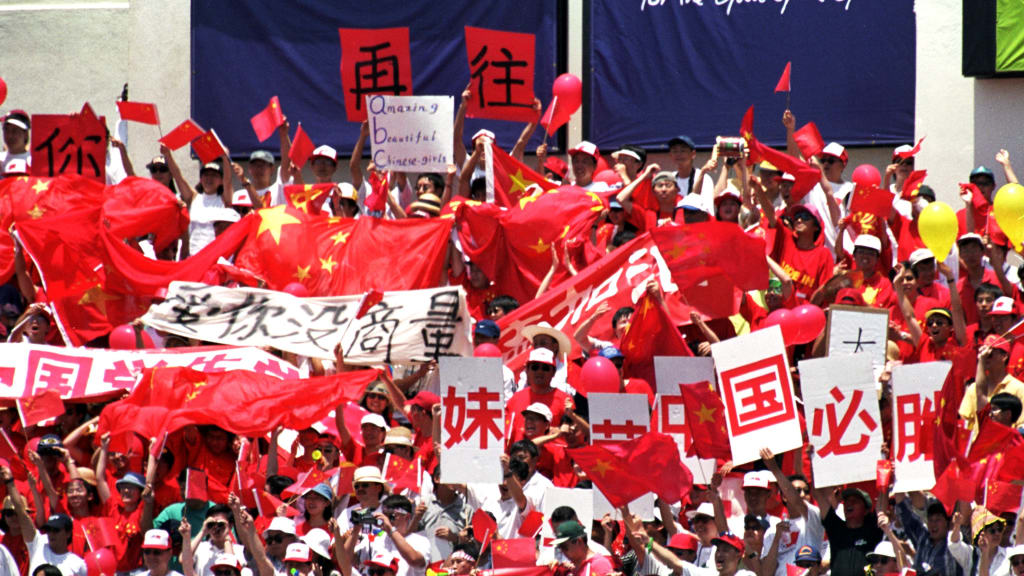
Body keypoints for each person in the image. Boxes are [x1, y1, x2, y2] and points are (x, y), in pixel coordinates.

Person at [3, 465, 87, 576]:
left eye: (56, 530)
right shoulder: (38, 543)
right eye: (49, 529)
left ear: (67, 533)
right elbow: (21, 513)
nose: (51, 534)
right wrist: (10, 483)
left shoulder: (78, 564)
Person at [817, 487, 883, 576]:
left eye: (855, 501)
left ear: (866, 510)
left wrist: (884, 483)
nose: (849, 503)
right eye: (846, 500)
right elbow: (817, 493)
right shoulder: (835, 528)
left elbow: (882, 502)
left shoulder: (873, 529)